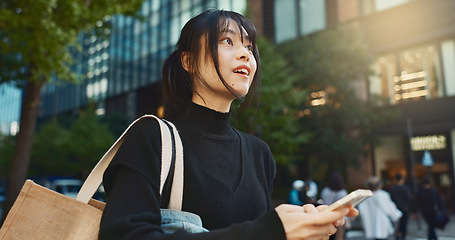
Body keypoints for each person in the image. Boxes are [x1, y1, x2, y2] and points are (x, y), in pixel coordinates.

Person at [98, 9, 357, 240]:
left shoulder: (260, 153)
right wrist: (270, 231)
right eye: (227, 41)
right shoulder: (154, 137)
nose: (245, 53)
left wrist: (301, 230)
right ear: (188, 61)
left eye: (249, 46)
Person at [357, 176, 402, 240]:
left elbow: (361, 211)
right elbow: (390, 208)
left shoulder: (365, 197)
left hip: (370, 225)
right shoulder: (383, 195)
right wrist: (397, 215)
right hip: (382, 223)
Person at [416, 176, 448, 240]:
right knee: (431, 226)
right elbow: (439, 201)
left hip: (425, 211)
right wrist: (441, 209)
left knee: (431, 225)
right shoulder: (433, 191)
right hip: (433, 211)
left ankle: (433, 238)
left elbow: (417, 203)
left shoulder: (420, 192)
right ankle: (432, 238)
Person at [320, 173, 349, 240]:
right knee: (339, 237)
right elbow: (346, 205)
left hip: (327, 217)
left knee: (327, 236)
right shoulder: (342, 192)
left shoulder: (325, 191)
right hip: (339, 217)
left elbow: (323, 202)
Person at [388, 173, 412, 240]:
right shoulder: (405, 188)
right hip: (404, 208)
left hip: (395, 208)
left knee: (396, 224)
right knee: (403, 224)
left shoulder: (392, 188)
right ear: (402, 179)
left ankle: (397, 235)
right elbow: (409, 197)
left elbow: (390, 199)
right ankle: (402, 236)